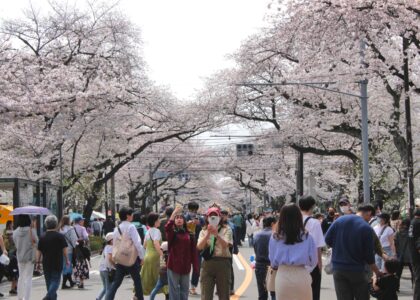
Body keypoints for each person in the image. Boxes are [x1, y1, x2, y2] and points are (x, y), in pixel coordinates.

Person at [325, 207, 381, 300]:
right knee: (362, 297)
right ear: (369, 213)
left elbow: (327, 239)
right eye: (371, 217)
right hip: (357, 269)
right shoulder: (366, 227)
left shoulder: (339, 220)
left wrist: (339, 247)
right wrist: (377, 272)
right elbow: (369, 256)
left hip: (338, 268)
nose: (369, 220)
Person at [269, 204, 317, 300]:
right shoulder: (307, 236)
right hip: (301, 275)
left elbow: (273, 262)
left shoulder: (275, 237)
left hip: (283, 275)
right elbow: (313, 261)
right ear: (299, 217)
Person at [105, 207, 145, 300]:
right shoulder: (131, 227)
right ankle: (140, 298)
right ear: (128, 216)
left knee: (116, 282)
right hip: (130, 258)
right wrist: (142, 256)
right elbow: (137, 243)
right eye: (131, 214)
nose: (133, 216)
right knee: (137, 280)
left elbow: (115, 244)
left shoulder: (116, 228)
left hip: (120, 258)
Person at [197, 206, 233, 300]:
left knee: (224, 294)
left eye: (215, 215)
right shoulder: (203, 231)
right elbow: (199, 247)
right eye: (210, 216)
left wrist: (217, 234)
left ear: (220, 217)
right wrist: (208, 234)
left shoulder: (227, 229)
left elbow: (226, 245)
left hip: (223, 262)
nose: (213, 218)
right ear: (207, 218)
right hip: (207, 263)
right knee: (206, 294)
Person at [165, 206, 199, 300]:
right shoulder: (172, 233)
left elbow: (193, 252)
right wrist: (174, 213)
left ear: (184, 221)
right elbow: (167, 227)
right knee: (174, 291)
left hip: (186, 266)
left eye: (181, 218)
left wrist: (196, 267)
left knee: (184, 290)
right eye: (177, 218)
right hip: (173, 265)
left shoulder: (190, 234)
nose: (179, 219)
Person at [298, 196, 326, 300]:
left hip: (296, 264)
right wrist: (319, 264)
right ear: (312, 207)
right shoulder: (315, 223)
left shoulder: (293, 221)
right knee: (313, 294)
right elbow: (317, 246)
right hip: (311, 264)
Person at [37, 215, 69, 300]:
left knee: (48, 282)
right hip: (57, 262)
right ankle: (48, 296)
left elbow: (39, 250)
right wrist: (67, 259)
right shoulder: (60, 236)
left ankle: (51, 297)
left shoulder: (42, 237)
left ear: (46, 224)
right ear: (55, 224)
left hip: (46, 263)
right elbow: (65, 249)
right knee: (55, 281)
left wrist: (38, 262)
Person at [13, 215, 38, 300]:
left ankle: (20, 297)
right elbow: (37, 242)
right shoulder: (31, 230)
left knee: (21, 277)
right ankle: (27, 298)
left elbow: (15, 244)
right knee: (28, 278)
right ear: (28, 220)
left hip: (20, 256)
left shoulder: (15, 232)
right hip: (30, 257)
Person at [253, 216, 276, 300]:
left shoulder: (256, 235)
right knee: (274, 292)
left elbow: (255, 249)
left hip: (260, 265)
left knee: (262, 293)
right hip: (273, 266)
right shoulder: (275, 235)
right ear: (272, 223)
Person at [141, 212, 162, 296]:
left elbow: (144, 245)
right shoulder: (157, 231)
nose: (160, 221)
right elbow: (156, 243)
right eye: (158, 219)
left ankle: (137, 295)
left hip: (147, 256)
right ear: (155, 221)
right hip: (155, 257)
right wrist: (162, 254)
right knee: (161, 279)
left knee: (146, 278)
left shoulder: (148, 231)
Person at [185, 201, 204, 296]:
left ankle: (193, 286)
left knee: (197, 267)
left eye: (195, 210)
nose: (193, 212)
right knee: (185, 267)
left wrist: (199, 224)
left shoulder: (200, 219)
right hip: (186, 247)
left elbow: (205, 229)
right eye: (192, 210)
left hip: (197, 246)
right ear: (188, 210)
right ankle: (185, 285)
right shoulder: (184, 218)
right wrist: (187, 224)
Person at [220, 209, 239, 295]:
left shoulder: (231, 225)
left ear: (227, 216)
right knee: (219, 269)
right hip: (219, 249)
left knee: (229, 268)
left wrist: (235, 248)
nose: (223, 216)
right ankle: (220, 288)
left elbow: (234, 238)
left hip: (229, 249)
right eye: (222, 214)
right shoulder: (217, 224)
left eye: (225, 215)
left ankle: (231, 288)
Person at [58, 215, 77, 289]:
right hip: (68, 249)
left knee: (64, 265)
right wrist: (75, 247)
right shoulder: (70, 229)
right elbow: (74, 239)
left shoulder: (59, 229)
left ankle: (71, 282)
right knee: (68, 265)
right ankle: (64, 284)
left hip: (60, 250)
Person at [395, 218, 413, 290]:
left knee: (398, 273)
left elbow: (395, 244)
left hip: (400, 255)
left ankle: (396, 287)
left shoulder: (398, 233)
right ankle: (414, 286)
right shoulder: (411, 233)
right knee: (413, 273)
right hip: (410, 255)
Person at [97, 232, 115, 300]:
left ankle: (98, 298)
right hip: (107, 270)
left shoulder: (106, 247)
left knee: (105, 287)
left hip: (101, 269)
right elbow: (110, 258)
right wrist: (115, 266)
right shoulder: (111, 247)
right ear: (111, 240)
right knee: (108, 288)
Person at [73, 216, 89, 289]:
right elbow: (86, 237)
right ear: (79, 221)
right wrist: (82, 239)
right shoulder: (82, 228)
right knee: (81, 264)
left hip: (73, 249)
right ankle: (81, 282)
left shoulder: (71, 228)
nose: (83, 222)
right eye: (82, 220)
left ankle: (75, 280)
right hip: (80, 249)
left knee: (74, 265)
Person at [4, 220, 17, 295]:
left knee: (14, 270)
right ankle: (13, 288)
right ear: (9, 224)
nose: (13, 224)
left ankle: (14, 287)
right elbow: (12, 241)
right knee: (14, 269)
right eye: (12, 223)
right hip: (11, 251)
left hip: (12, 250)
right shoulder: (8, 231)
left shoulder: (11, 231)